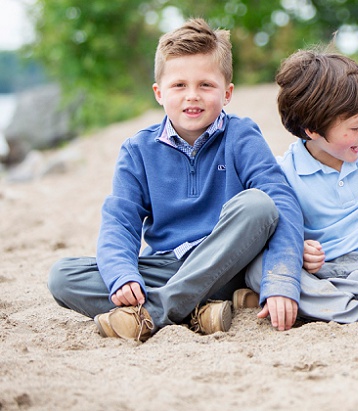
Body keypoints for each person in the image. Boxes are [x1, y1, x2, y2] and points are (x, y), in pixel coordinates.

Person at [47, 18, 304, 342]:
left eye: (206, 86)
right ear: (159, 92)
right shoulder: (138, 150)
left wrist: (281, 279)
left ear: (227, 93)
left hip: (227, 266)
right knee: (63, 277)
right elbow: (120, 222)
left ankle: (157, 312)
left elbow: (281, 200)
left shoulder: (240, 135)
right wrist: (123, 276)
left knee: (258, 205)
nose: (192, 96)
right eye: (179, 85)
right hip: (167, 266)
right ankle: (196, 310)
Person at [241, 49, 358, 333]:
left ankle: (322, 305)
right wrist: (298, 248)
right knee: (258, 267)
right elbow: (280, 228)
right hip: (321, 269)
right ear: (312, 130)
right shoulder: (286, 172)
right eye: (355, 126)